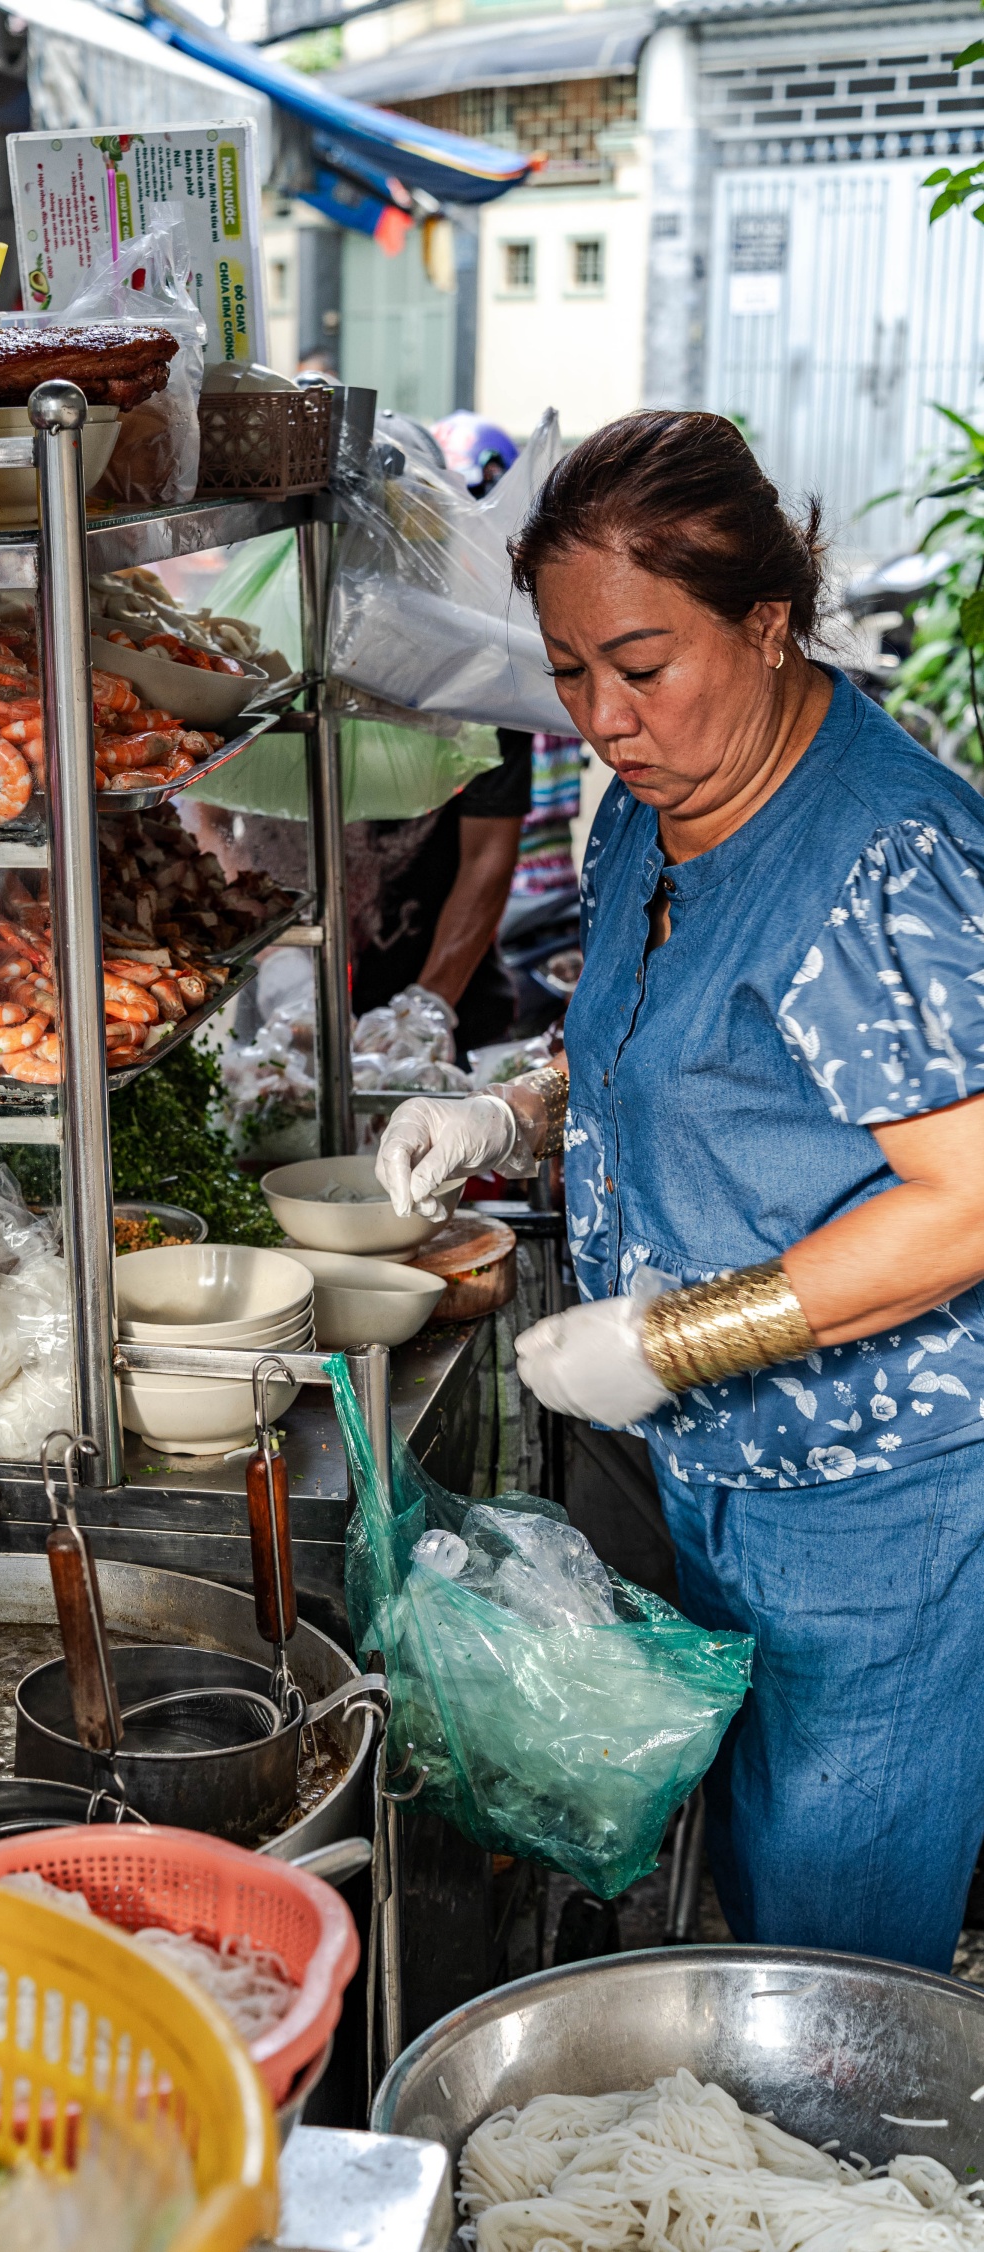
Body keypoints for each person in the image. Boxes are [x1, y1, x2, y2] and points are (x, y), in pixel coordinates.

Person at [375, 408, 984, 1975]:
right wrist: (506, 1114)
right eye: (570, 673)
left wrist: (678, 1341)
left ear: (769, 622)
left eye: (642, 666)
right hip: (723, 1471)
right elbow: (681, 1052)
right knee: (748, 1886)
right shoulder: (662, 808)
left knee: (836, 1924)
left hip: (880, 1503)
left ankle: (861, 2196)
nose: (603, 716)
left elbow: (965, 1203)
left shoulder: (881, 863)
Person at [350, 730, 534, 1053]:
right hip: (294, 1005)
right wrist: (285, 971)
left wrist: (428, 1005)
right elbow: (235, 829)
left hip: (459, 1006)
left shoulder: (481, 696)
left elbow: (487, 855)